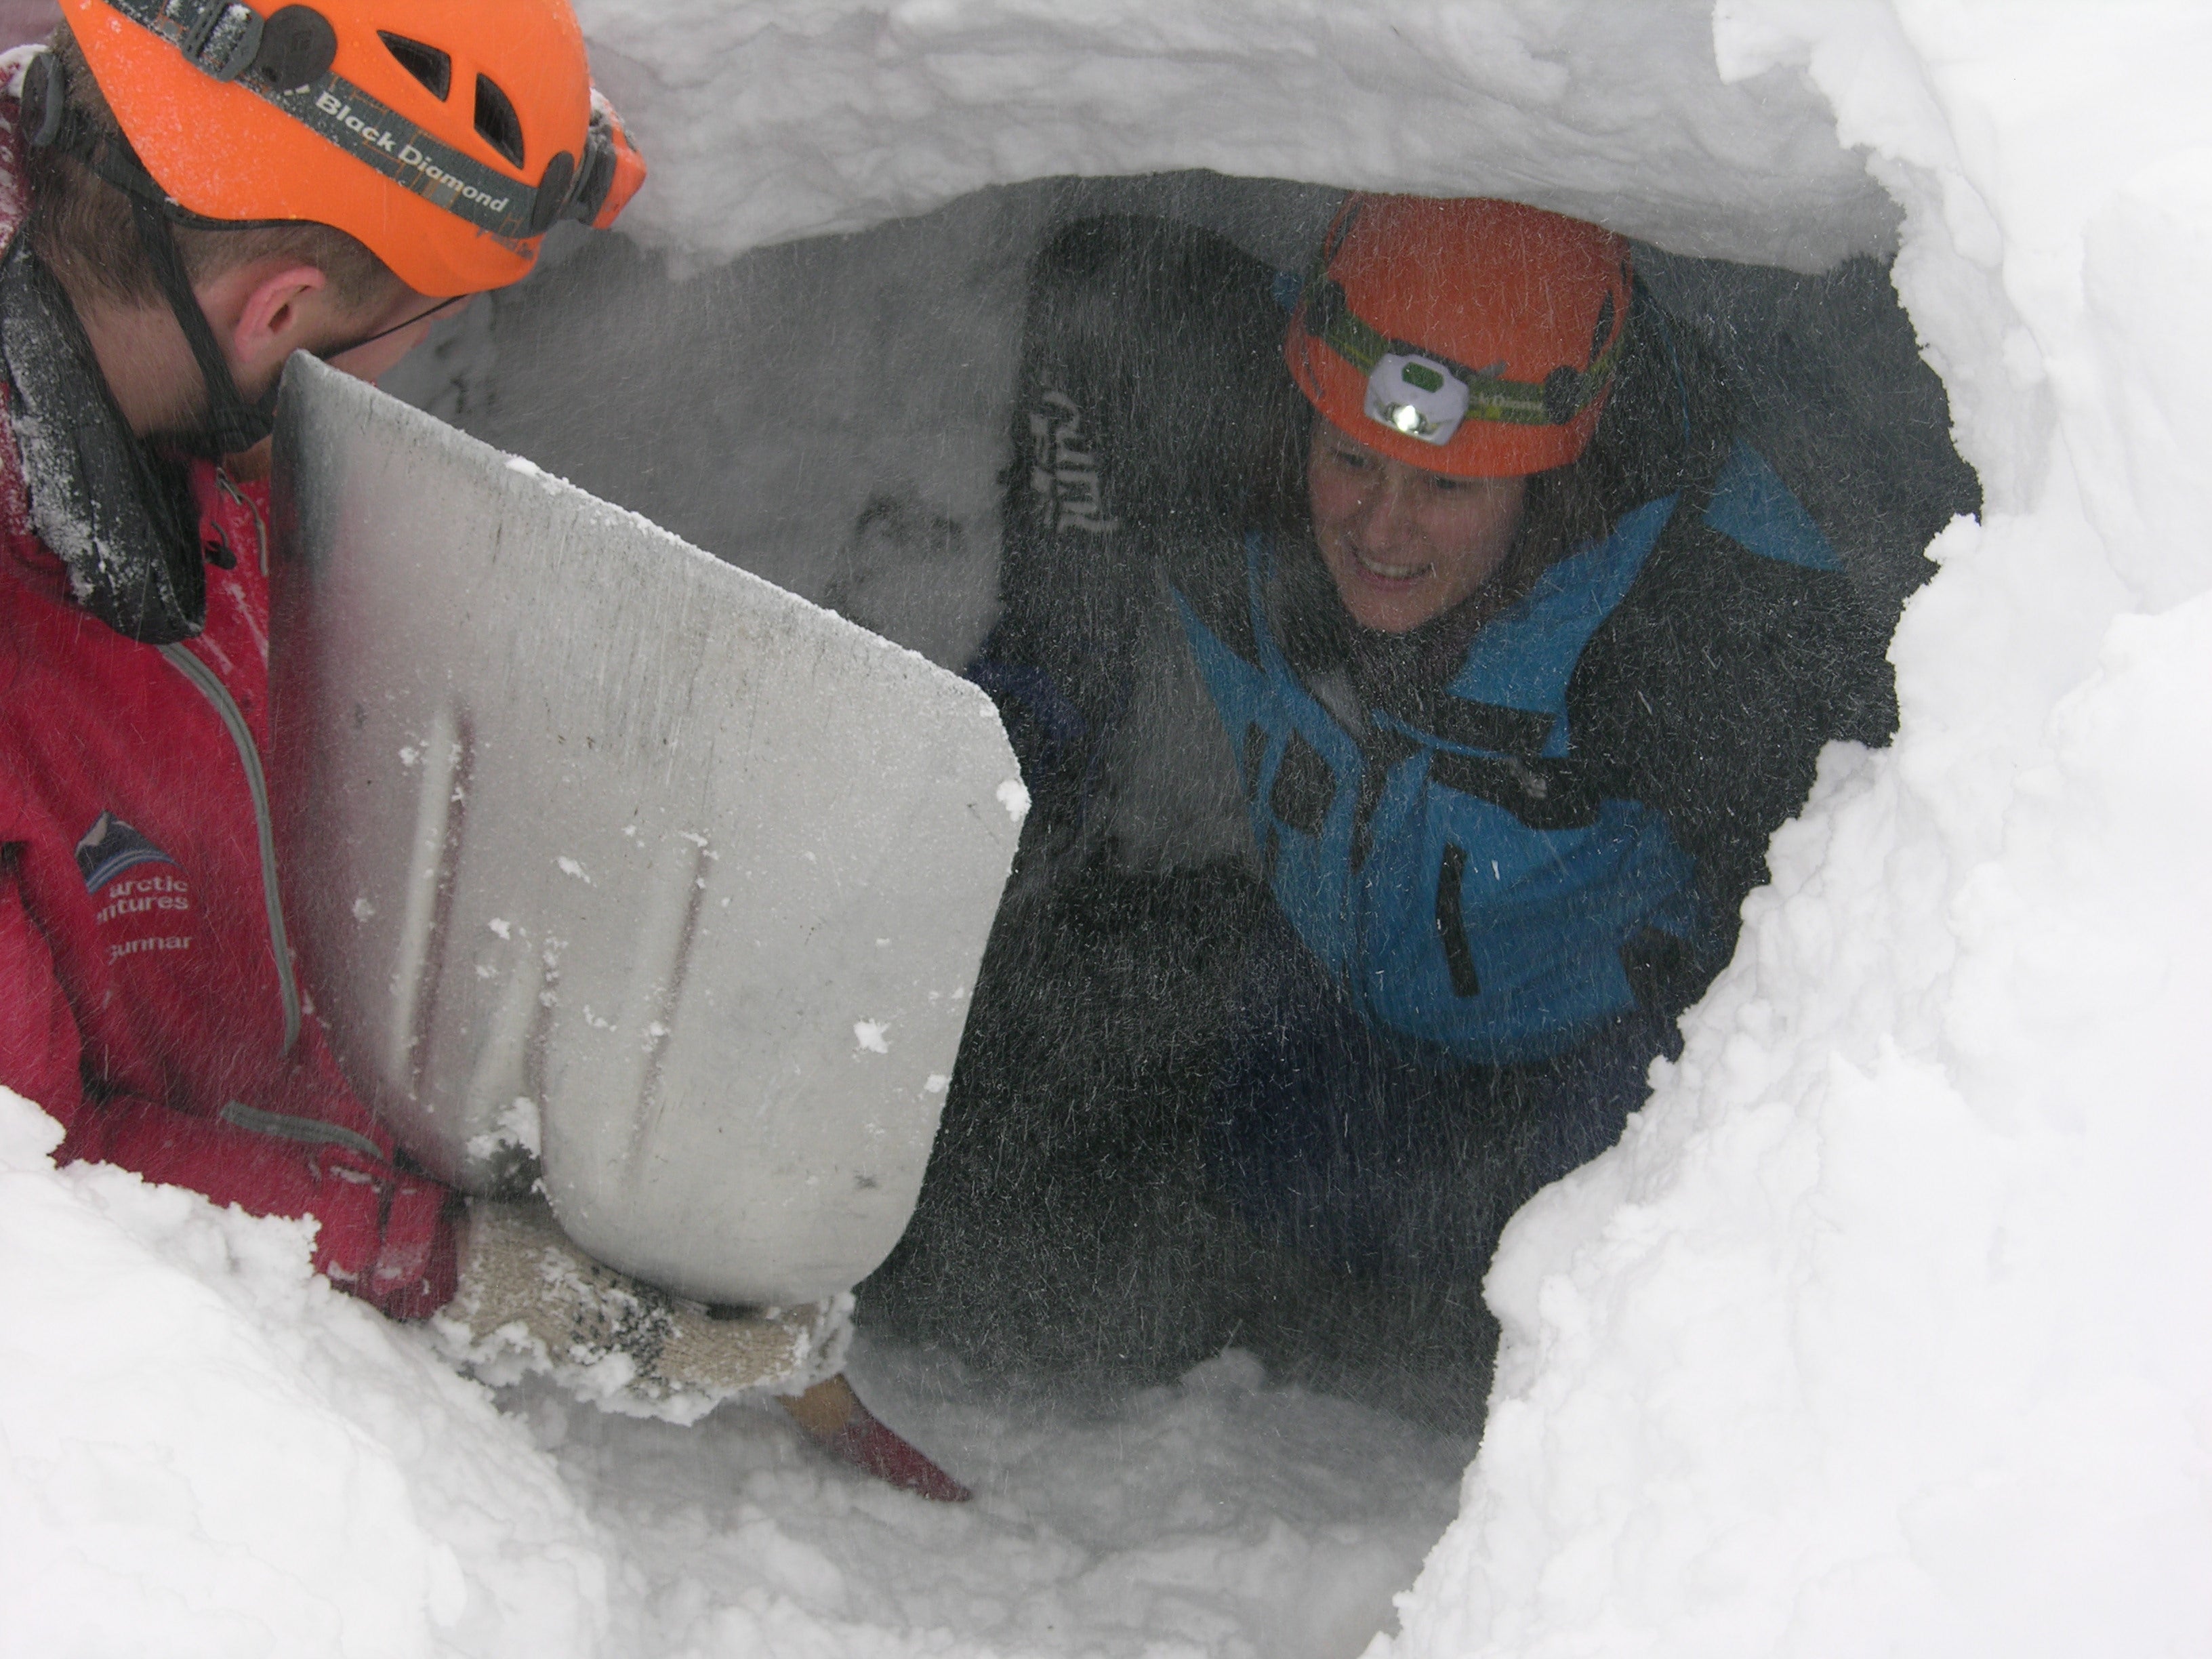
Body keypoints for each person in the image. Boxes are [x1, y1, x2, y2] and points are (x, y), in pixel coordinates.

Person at [0, 1, 960, 1500]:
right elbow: (36, 1197)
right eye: (385, 347)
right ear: (274, 314)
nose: (372, 393)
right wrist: (454, 1264)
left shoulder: (130, 333)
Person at [895, 194, 1894, 1411]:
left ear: (1550, 471)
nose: (1382, 529)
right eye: (1351, 459)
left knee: (1552, 1287)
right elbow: (1099, 299)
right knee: (1224, 1175)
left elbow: (1871, 916)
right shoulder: (1221, 438)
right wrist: (1051, 697)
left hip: (1576, 1080)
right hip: (1328, 1014)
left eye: (1449, 488)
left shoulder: (1695, 612)